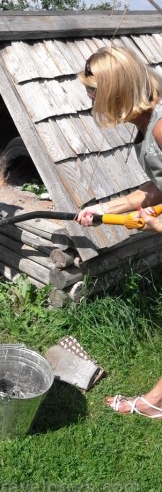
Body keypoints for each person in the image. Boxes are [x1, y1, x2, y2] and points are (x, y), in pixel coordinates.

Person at [76, 46, 162, 417]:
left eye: (94, 93)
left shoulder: (161, 124)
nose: (92, 101)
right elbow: (159, 185)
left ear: (116, 90)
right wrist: (105, 209)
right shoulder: (147, 124)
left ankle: (152, 404)